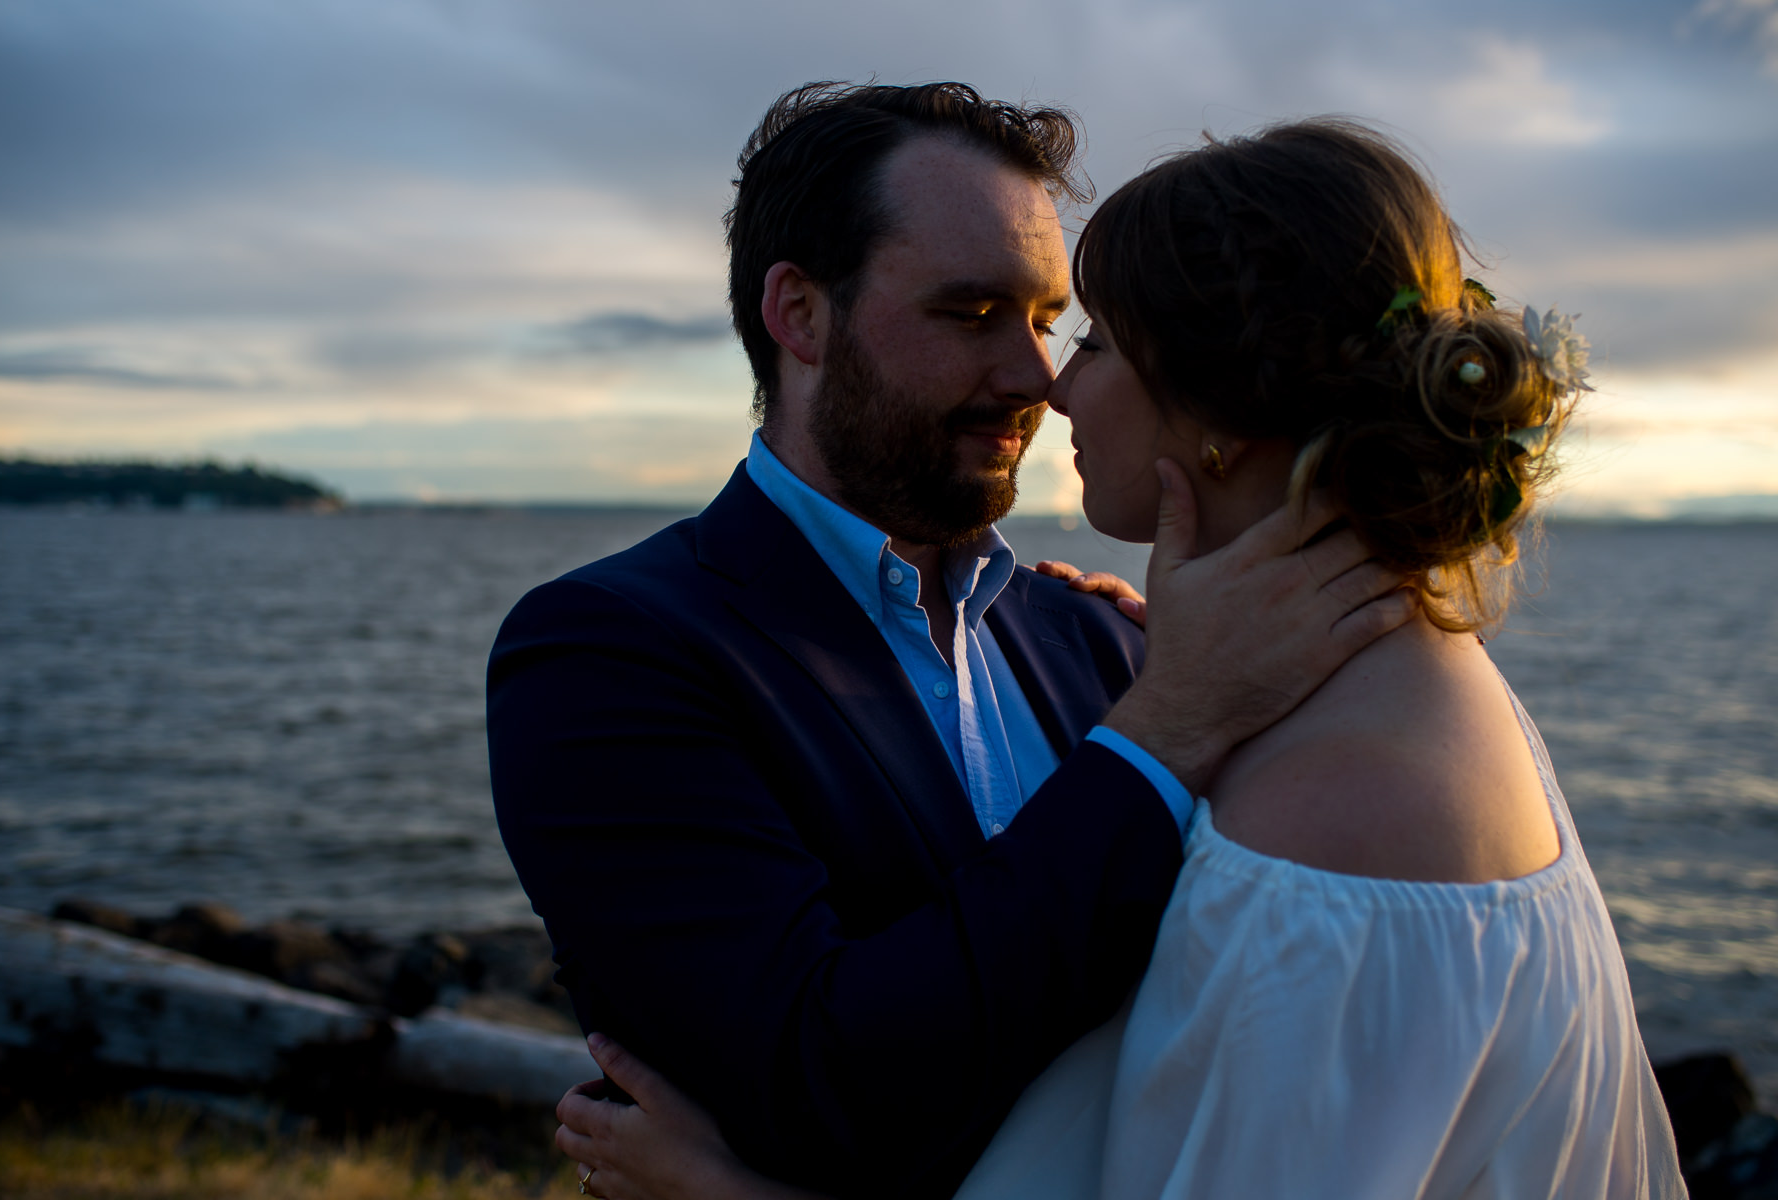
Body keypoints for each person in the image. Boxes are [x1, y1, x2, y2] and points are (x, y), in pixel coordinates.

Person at [546, 119, 1686, 1198]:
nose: (1043, 376)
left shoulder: (1148, 667)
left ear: (1224, 401)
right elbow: (819, 1073)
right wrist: (1167, 718)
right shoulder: (610, 648)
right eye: (973, 311)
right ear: (800, 311)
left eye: (1066, 324)